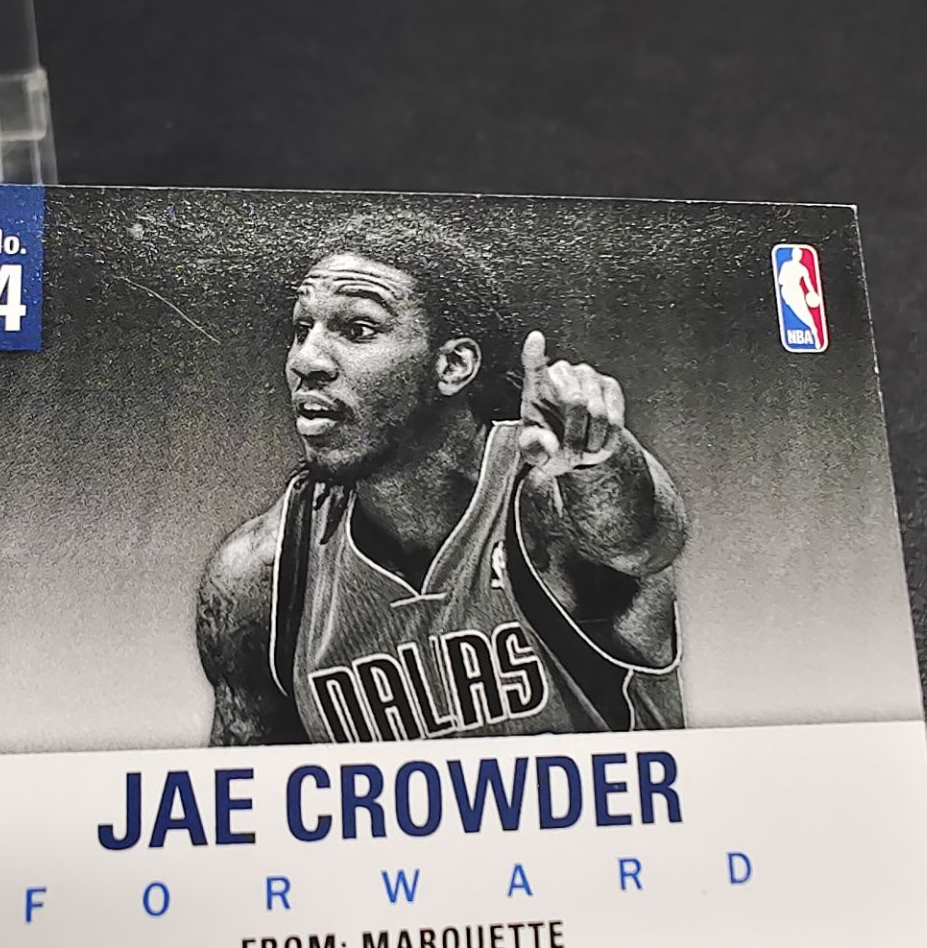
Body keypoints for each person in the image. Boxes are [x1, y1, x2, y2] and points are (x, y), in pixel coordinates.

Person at [196, 210, 686, 745]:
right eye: (300, 329)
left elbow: (643, 544)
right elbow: (248, 782)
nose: (306, 360)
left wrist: (597, 457)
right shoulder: (262, 577)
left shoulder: (545, 496)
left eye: (358, 329)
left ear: (452, 366)